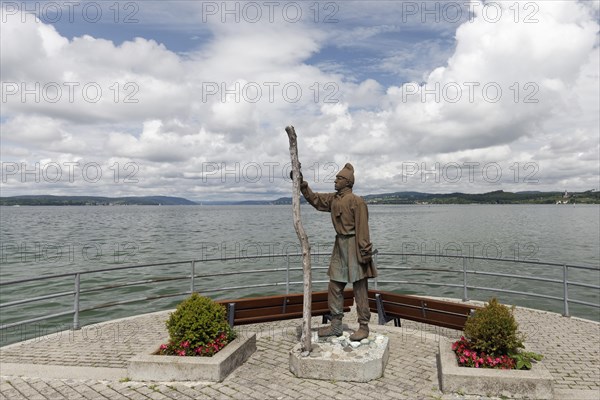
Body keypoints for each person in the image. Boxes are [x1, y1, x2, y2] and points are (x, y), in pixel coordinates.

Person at [296, 163, 377, 341]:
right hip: (340, 246)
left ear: (347, 182)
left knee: (360, 289)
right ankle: (336, 324)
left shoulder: (358, 201)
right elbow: (315, 199)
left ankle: (363, 326)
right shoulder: (333, 199)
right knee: (334, 286)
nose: (335, 180)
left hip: (355, 246)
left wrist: (365, 252)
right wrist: (302, 185)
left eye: (339, 178)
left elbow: (363, 229)